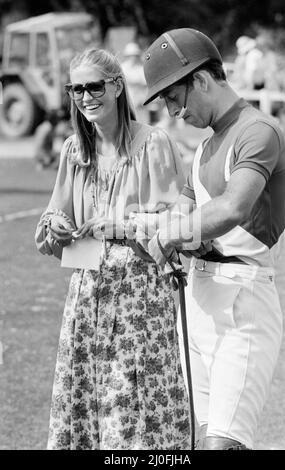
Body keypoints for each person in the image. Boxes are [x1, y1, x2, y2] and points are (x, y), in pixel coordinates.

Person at [35, 48, 190, 450]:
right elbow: (53, 214)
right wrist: (57, 224)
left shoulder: (154, 144)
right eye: (76, 89)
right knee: (86, 404)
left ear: (118, 86)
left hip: (139, 299)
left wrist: (120, 227)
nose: (85, 97)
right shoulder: (74, 150)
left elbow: (184, 224)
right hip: (86, 297)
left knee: (133, 411)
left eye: (94, 86)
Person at [141, 28, 285, 450]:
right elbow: (183, 216)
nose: (172, 112)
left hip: (244, 305)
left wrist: (172, 232)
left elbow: (231, 208)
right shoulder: (204, 151)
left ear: (202, 80)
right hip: (199, 302)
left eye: (174, 97)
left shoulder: (259, 130)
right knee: (199, 443)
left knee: (221, 448)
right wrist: (148, 223)